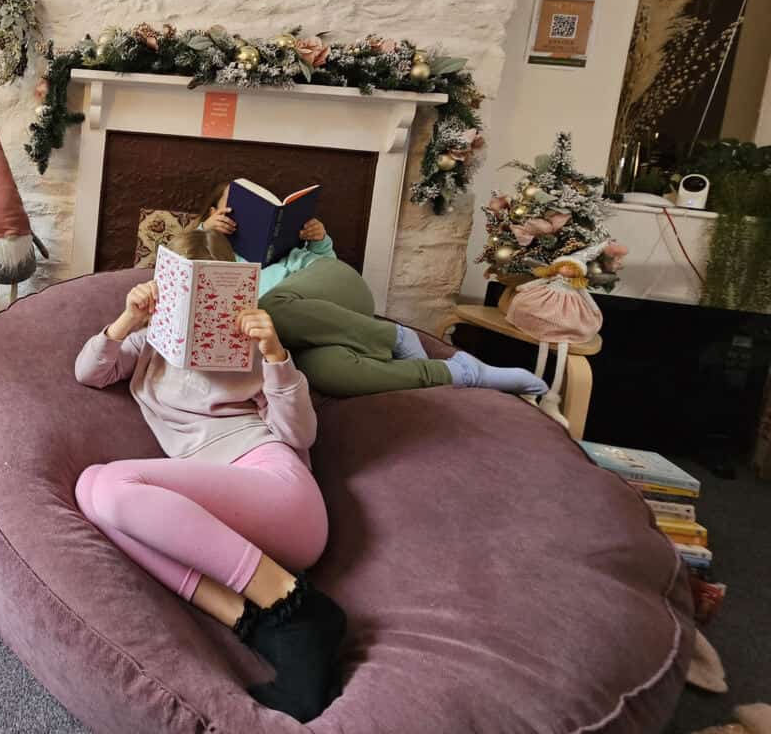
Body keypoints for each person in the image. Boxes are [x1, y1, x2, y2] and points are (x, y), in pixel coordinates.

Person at [74, 228, 346, 722]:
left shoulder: (252, 349)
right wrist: (127, 319)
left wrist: (277, 358)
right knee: (92, 492)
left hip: (277, 491)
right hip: (215, 515)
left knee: (109, 485)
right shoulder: (149, 343)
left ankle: (296, 609)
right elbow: (89, 372)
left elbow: (301, 436)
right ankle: (256, 623)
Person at [198, 181, 545, 397]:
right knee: (331, 374)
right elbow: (184, 278)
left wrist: (318, 239)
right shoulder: (211, 252)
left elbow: (328, 271)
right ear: (214, 212)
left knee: (270, 308)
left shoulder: (295, 255)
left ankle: (395, 337)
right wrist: (204, 233)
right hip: (299, 341)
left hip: (335, 289)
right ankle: (464, 372)